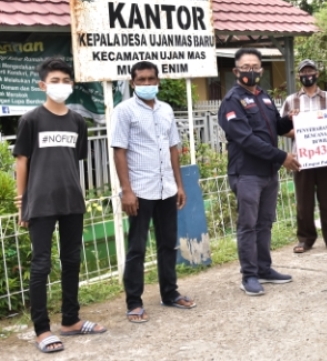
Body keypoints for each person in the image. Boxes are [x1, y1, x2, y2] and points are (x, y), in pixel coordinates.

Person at [13, 58, 106, 353]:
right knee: (41, 265)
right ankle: (41, 329)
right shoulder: (31, 119)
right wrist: (21, 202)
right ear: (43, 85)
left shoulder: (77, 121)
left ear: (72, 85)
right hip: (39, 202)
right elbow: (22, 161)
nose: (61, 86)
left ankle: (71, 320)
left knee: (72, 261)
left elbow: (74, 159)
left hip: (71, 200)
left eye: (66, 81)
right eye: (55, 81)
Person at [111, 61, 195, 324]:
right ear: (132, 82)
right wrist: (127, 191)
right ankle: (134, 303)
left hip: (166, 188)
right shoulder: (124, 111)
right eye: (141, 80)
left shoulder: (166, 110)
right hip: (140, 190)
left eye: (151, 79)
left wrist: (179, 185)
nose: (147, 84)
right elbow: (119, 150)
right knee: (137, 248)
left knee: (168, 244)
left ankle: (169, 293)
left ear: (158, 81)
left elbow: (173, 149)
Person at [218, 49, 300, 296]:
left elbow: (274, 126)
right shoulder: (232, 101)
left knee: (265, 223)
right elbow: (247, 140)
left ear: (262, 70)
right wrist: (282, 157)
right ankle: (249, 275)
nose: (251, 70)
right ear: (236, 71)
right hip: (247, 173)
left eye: (255, 66)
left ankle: (265, 269)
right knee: (248, 225)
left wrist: (289, 119)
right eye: (246, 66)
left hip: (268, 172)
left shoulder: (264, 97)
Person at [281, 59, 327, 253]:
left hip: (325, 156)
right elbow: (282, 128)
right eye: (304, 72)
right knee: (303, 199)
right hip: (301, 156)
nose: (307, 75)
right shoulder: (290, 100)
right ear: (299, 76)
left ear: (317, 74)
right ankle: (305, 239)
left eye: (311, 71)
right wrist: (298, 132)